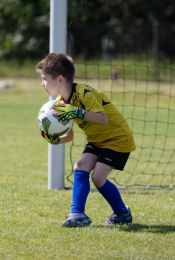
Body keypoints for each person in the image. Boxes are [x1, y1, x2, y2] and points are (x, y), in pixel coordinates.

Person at [35, 53, 136, 227]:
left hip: (117, 138)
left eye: (44, 79)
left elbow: (103, 119)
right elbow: (71, 135)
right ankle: (77, 214)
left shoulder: (85, 93)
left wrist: (76, 112)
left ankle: (122, 213)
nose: (42, 83)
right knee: (80, 167)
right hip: (97, 141)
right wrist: (55, 140)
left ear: (59, 79)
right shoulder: (60, 103)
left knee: (98, 177)